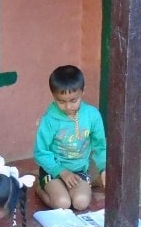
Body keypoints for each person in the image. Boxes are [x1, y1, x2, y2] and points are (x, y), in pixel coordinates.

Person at [33, 65, 107, 211]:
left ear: (82, 92)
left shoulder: (92, 115)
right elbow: (40, 152)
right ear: (53, 96)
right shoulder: (49, 120)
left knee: (81, 203)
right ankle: (40, 188)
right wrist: (61, 171)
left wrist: (104, 168)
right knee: (62, 204)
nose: (68, 107)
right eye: (61, 101)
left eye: (73, 100)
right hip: (53, 170)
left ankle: (65, 189)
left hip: (78, 171)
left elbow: (100, 146)